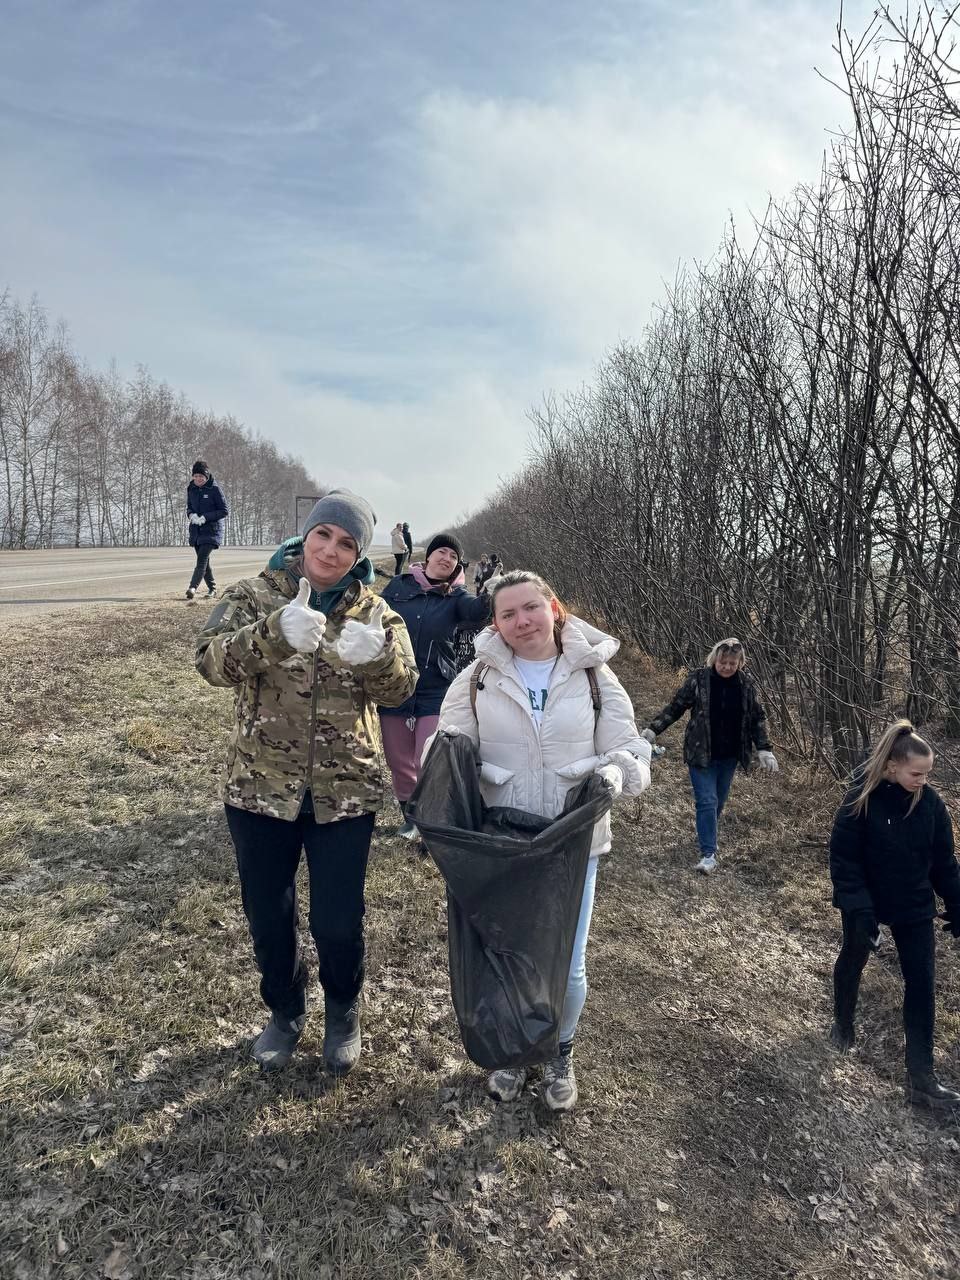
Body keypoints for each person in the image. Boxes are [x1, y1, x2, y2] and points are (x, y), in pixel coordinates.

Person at [195, 490, 417, 1076]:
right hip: (259, 787)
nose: (332, 550)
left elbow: (402, 691)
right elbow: (209, 663)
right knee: (268, 914)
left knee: (337, 919)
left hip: (345, 792)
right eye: (324, 535)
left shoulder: (377, 613)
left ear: (359, 554)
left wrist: (378, 660)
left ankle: (343, 1007)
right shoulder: (253, 594)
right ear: (306, 535)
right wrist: (271, 632)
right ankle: (286, 1010)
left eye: (347, 543)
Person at [430, 569, 652, 1111]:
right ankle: (514, 1053)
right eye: (507, 614)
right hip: (499, 843)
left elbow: (630, 748)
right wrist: (440, 762)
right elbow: (449, 738)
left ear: (554, 607)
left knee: (565, 964)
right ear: (497, 623)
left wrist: (621, 772)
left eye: (530, 607)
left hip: (572, 844)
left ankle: (558, 1052)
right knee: (508, 954)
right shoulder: (477, 677)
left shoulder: (597, 676)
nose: (521, 621)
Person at [829, 720, 960, 1109]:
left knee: (921, 982)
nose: (922, 780)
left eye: (927, 773)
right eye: (915, 773)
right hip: (867, 898)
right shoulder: (860, 801)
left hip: (914, 903)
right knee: (854, 956)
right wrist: (859, 909)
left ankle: (922, 1077)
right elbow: (844, 861)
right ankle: (843, 1023)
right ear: (891, 767)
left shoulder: (932, 805)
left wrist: (957, 903)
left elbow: (944, 862)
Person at [379, 533, 490, 839]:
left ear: (457, 567)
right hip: (394, 685)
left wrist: (491, 594)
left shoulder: (457, 598)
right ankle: (410, 816)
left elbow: (477, 612)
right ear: (427, 557)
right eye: (442, 552)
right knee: (399, 761)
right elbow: (374, 616)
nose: (446, 558)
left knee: (425, 757)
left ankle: (429, 817)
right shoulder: (399, 586)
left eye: (453, 557)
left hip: (435, 688)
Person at [641, 637, 778, 873]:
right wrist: (653, 730)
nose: (727, 667)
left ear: (740, 664)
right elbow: (676, 707)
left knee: (717, 802)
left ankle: (707, 831)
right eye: (723, 662)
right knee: (707, 800)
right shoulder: (699, 680)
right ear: (715, 659)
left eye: (732, 664)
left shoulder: (746, 685)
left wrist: (764, 749)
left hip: (729, 755)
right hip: (700, 751)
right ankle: (708, 854)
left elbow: (757, 718)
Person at [186, 460, 229, 600]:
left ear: (206, 476)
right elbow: (189, 506)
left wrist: (205, 517)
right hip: (196, 531)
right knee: (204, 562)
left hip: (211, 531)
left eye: (201, 476)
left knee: (202, 560)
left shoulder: (214, 489)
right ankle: (213, 588)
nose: (198, 479)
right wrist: (191, 515)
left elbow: (224, 511)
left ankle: (192, 588)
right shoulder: (191, 489)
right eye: (196, 476)